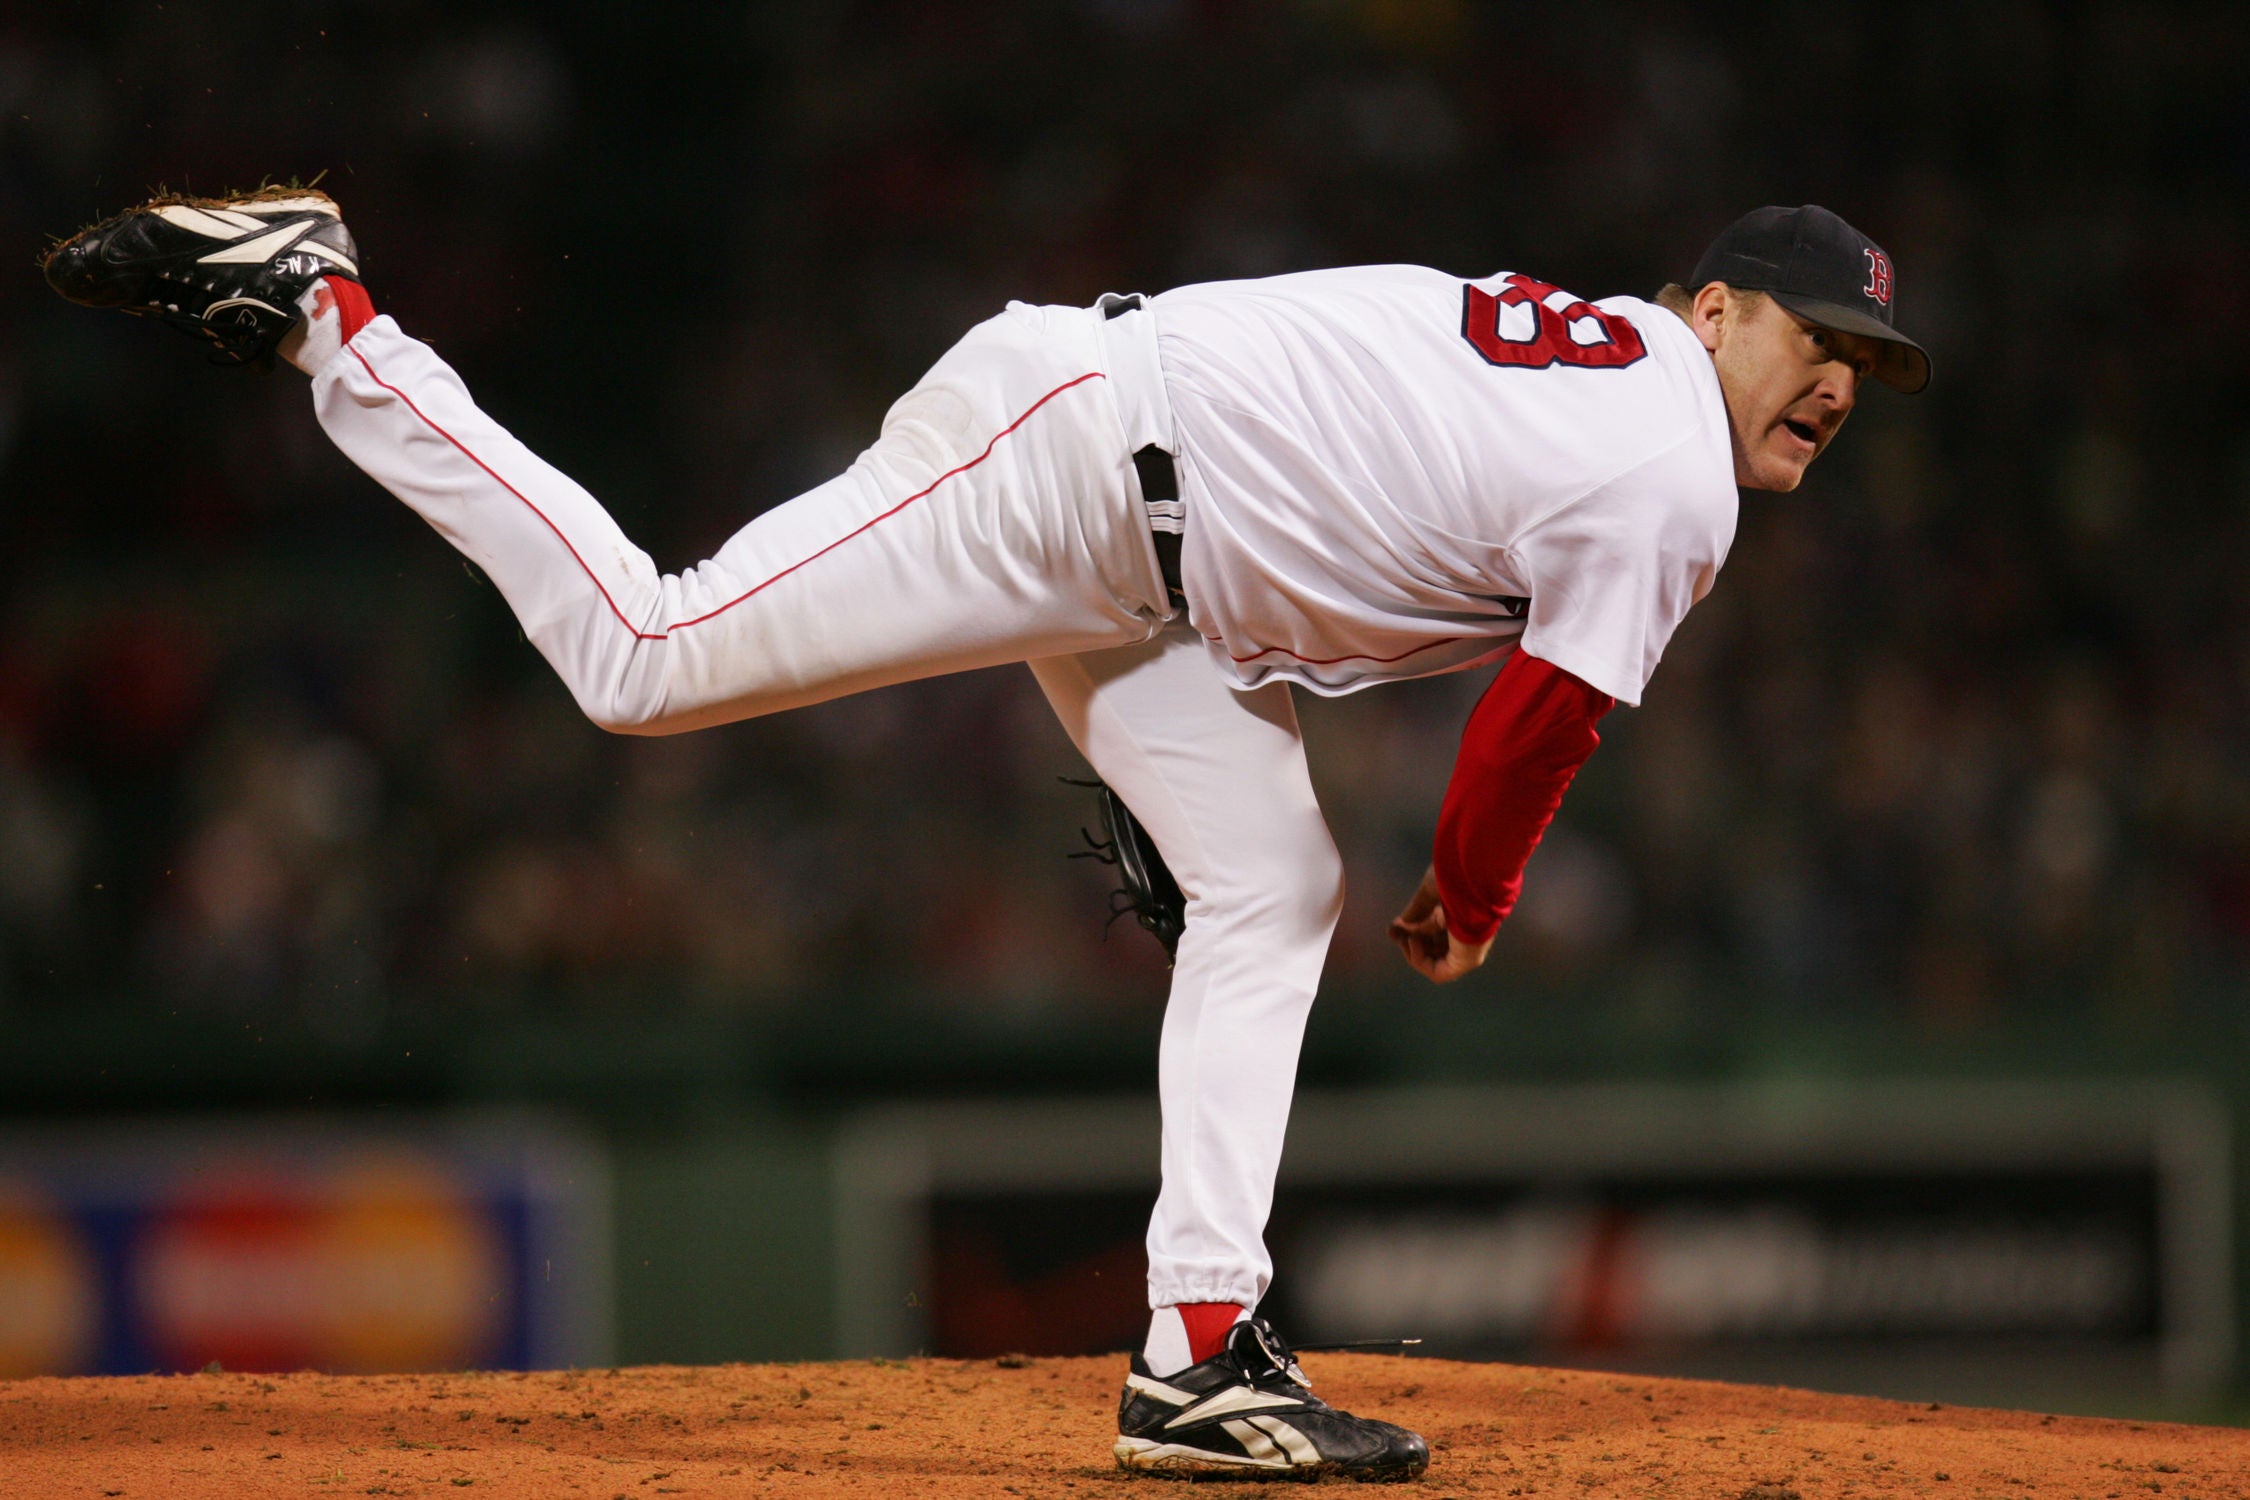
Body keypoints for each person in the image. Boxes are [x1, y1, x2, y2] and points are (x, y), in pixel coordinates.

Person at [44, 193, 1926, 1479]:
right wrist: (1476, 900)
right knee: (645, 655)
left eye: (1868, 359)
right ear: (1713, 312)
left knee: (1270, 883)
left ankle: (1200, 1353)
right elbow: (1540, 726)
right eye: (1816, 331)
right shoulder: (1677, 454)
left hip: (1152, 548)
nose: (1840, 376)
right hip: (1077, 472)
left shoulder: (1605, 370)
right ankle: (326, 313)